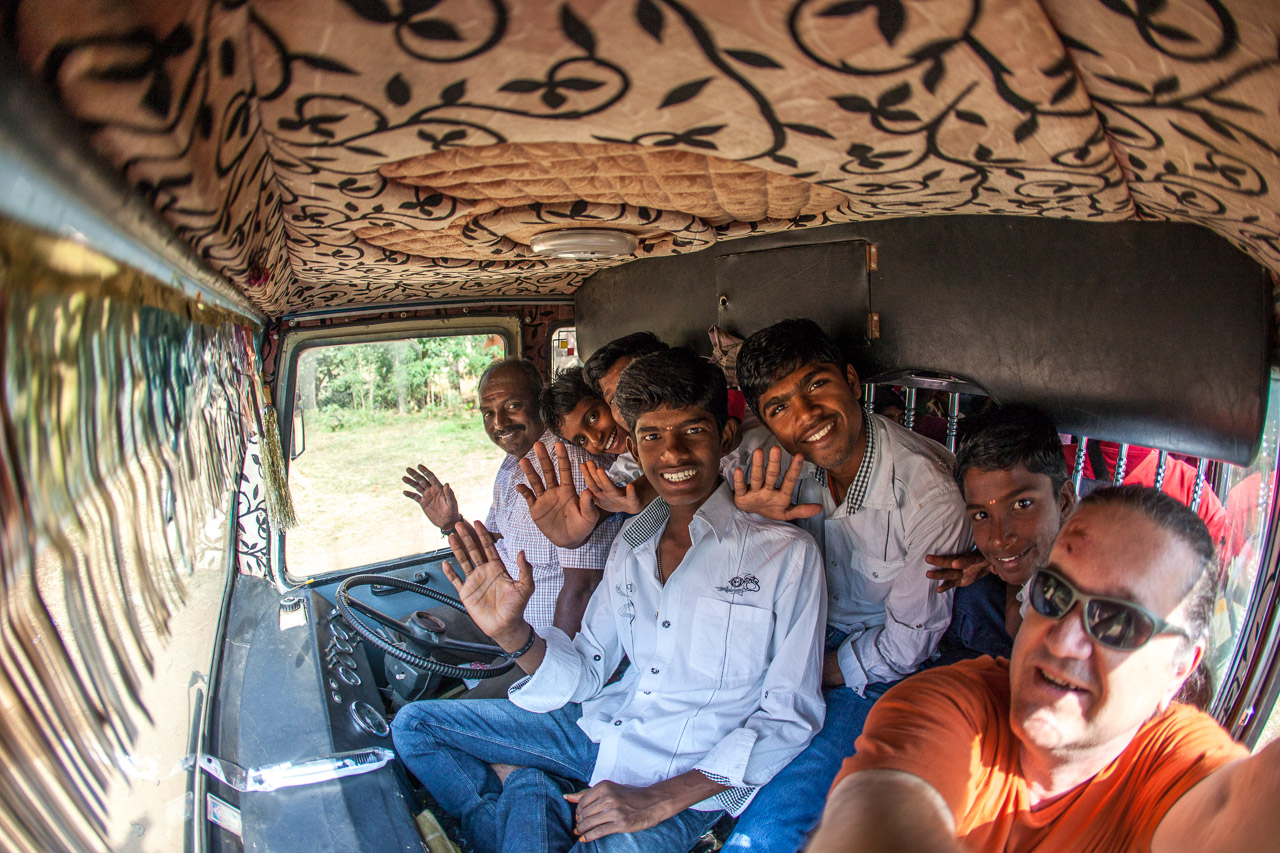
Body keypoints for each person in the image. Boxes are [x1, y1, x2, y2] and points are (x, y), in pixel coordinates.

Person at [392, 347, 826, 853]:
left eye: (692, 430)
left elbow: (790, 715)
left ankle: (532, 794)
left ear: (725, 436)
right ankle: (527, 796)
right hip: (598, 732)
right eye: (652, 437)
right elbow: (587, 672)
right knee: (414, 726)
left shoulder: (785, 555)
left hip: (682, 779)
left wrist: (657, 800)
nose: (673, 454)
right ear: (634, 450)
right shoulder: (632, 545)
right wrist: (512, 633)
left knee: (533, 800)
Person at [809, 485, 1280, 853]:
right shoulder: (954, 705)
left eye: (1117, 623)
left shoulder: (1173, 762)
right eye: (1053, 594)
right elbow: (881, 813)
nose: (1062, 640)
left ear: (1178, 671)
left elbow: (1236, 812)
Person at [724, 318, 971, 852]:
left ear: (852, 380)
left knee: (766, 830)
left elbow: (906, 645)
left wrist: (808, 669)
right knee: (688, 753)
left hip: (869, 668)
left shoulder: (928, 492)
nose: (806, 415)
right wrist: (748, 525)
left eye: (816, 385)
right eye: (779, 407)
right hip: (786, 642)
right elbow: (678, 488)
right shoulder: (763, 460)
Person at [400, 358, 621, 695]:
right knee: (412, 634)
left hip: (542, 641)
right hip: (506, 615)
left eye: (512, 406)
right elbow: (494, 544)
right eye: (488, 413)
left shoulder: (568, 464)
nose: (499, 423)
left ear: (540, 401)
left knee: (450, 713)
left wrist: (554, 669)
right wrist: (451, 523)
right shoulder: (511, 465)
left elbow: (584, 584)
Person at [927, 404, 1077, 662]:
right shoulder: (1040, 561)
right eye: (981, 515)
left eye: (1021, 505)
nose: (998, 538)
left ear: (1063, 500)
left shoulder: (1079, 601)